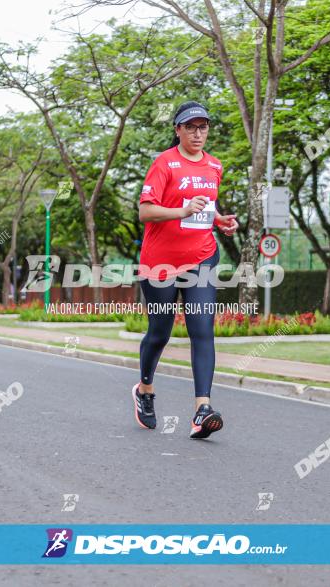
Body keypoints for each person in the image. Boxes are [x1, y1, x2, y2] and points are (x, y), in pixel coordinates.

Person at [132, 101, 239, 439]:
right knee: (159, 333)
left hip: (202, 257)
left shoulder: (215, 166)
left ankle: (202, 409)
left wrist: (218, 219)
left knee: (201, 328)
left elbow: (206, 204)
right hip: (160, 262)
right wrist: (180, 211)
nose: (197, 132)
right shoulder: (164, 164)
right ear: (177, 129)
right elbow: (145, 212)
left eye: (203, 126)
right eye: (190, 126)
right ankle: (145, 390)